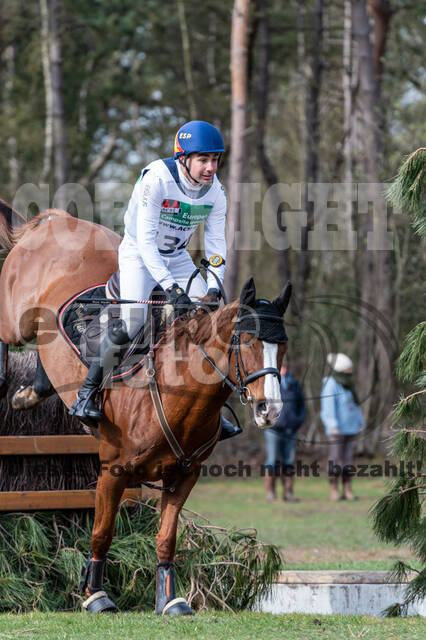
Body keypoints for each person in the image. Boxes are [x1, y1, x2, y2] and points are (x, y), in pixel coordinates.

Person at [70, 120, 240, 440]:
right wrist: (173, 288)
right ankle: (86, 395)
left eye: (215, 160)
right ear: (183, 158)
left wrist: (215, 283)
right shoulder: (157, 179)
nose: (210, 168)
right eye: (203, 160)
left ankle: (212, 411)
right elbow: (146, 243)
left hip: (176, 257)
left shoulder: (216, 191)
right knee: (134, 320)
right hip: (139, 255)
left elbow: (216, 243)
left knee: (209, 320)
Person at [320, 353, 364, 501]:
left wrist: (360, 423)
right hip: (336, 430)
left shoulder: (350, 385)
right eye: (348, 368)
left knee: (348, 461)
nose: (350, 370)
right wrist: (332, 426)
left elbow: (355, 406)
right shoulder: (331, 384)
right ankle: (334, 489)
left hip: (351, 428)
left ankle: (347, 489)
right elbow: (327, 408)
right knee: (335, 460)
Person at [264, 362, 306, 502]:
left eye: (285, 367)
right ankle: (270, 493)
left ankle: (288, 493)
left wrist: (298, 421)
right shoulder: (268, 384)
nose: (283, 369)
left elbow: (302, 406)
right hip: (273, 430)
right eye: (280, 367)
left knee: (289, 461)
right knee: (272, 460)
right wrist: (269, 421)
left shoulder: (294, 384)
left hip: (291, 429)